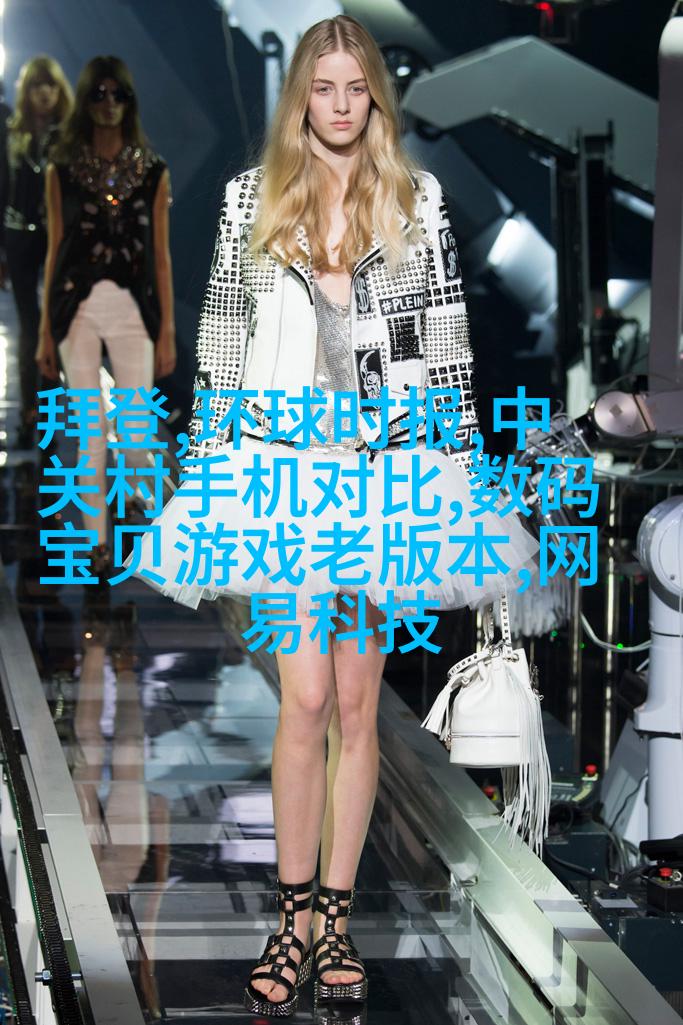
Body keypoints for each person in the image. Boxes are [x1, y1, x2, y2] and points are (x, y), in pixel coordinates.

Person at [128, 14, 539, 1016]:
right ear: (301, 98)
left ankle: (333, 921)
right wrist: (206, 474)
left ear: (374, 98)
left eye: (357, 88)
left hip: (382, 478)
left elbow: (446, 350)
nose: (342, 104)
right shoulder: (251, 197)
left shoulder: (415, 199)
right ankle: (290, 918)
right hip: (282, 476)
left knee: (357, 705)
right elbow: (222, 338)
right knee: (304, 696)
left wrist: (458, 487)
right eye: (324, 88)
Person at [36, 56, 176, 578]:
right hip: (74, 309)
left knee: (136, 430)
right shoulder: (62, 171)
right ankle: (97, 544)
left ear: (129, 102)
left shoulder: (152, 172)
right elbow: (55, 247)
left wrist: (167, 330)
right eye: (99, 93)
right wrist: (44, 333)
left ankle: (136, 506)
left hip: (134, 309)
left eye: (118, 94)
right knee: (90, 432)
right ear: (86, 101)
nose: (109, 104)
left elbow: (161, 255)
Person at [0, 56, 72, 447]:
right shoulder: (13, 132)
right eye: (36, 86)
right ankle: (32, 413)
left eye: (50, 85)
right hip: (18, 236)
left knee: (53, 328)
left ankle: (47, 415)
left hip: (57, 239)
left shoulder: (70, 136)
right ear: (26, 92)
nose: (43, 93)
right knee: (30, 328)